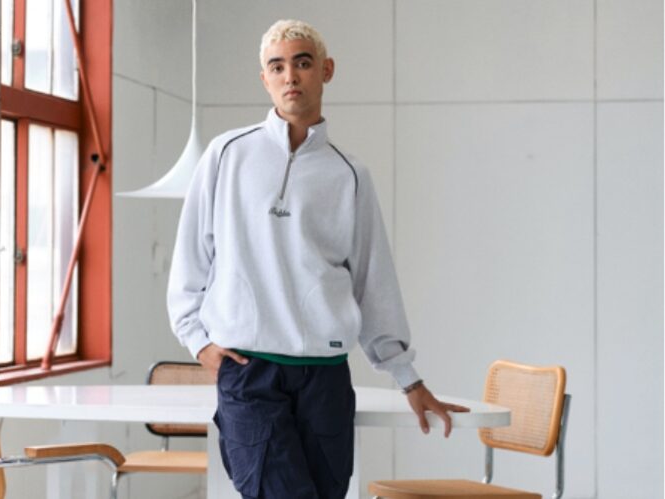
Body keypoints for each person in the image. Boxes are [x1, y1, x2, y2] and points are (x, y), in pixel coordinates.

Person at [167, 19, 468, 499]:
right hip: (250, 373)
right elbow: (190, 259)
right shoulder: (226, 155)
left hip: (325, 379)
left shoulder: (349, 175)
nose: (290, 76)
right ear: (264, 79)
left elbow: (373, 282)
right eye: (277, 66)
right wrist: (197, 340)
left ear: (326, 70)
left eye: (302, 63)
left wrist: (409, 379)